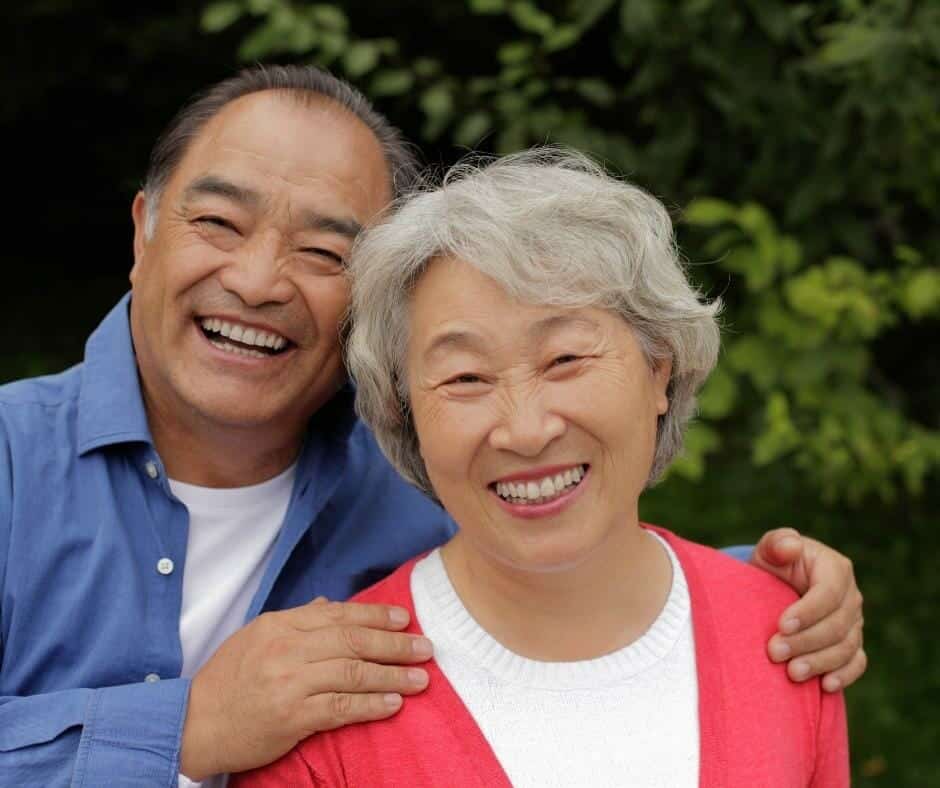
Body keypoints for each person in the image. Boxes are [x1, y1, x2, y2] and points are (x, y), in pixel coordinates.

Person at [0, 66, 861, 787]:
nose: (259, 281)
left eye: (325, 253)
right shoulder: (11, 462)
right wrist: (180, 733)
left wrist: (772, 593)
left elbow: (564, 547)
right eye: (219, 222)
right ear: (145, 230)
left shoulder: (414, 472)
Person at [235, 149, 850, 787]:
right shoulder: (326, 707)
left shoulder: (795, 641)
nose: (527, 430)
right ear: (405, 413)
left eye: (565, 359)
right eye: (465, 377)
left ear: (658, 369)